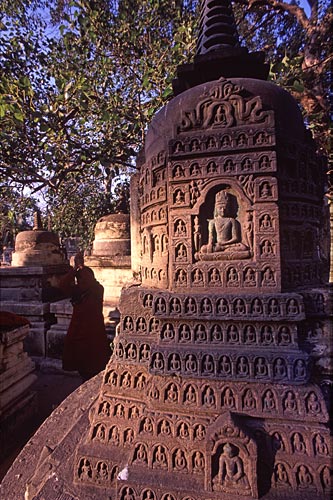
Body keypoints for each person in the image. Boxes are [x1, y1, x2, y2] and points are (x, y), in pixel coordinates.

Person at [58, 253, 111, 381]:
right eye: (79, 279)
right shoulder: (87, 290)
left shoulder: (93, 289)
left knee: (91, 365)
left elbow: (63, 284)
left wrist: (76, 269)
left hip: (88, 332)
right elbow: (63, 285)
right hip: (85, 331)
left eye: (82, 279)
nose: (80, 281)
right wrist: (76, 270)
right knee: (87, 366)